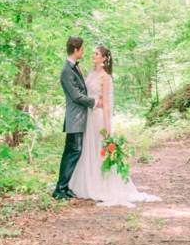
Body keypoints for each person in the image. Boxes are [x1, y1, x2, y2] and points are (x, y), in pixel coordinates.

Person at [68, 43, 159, 206]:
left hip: (99, 118)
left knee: (99, 149)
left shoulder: (105, 77)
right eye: (93, 53)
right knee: (88, 149)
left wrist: (108, 127)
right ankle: (86, 182)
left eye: (96, 54)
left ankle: (102, 186)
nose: (93, 55)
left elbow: (107, 104)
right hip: (88, 115)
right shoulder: (90, 72)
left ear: (104, 58)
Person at [52, 36, 100, 200]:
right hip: (75, 118)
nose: (84, 52)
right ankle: (60, 189)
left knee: (71, 152)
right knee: (74, 151)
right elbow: (76, 96)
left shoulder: (74, 68)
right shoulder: (66, 70)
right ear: (76, 50)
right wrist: (95, 102)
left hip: (79, 118)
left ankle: (63, 187)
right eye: (82, 49)